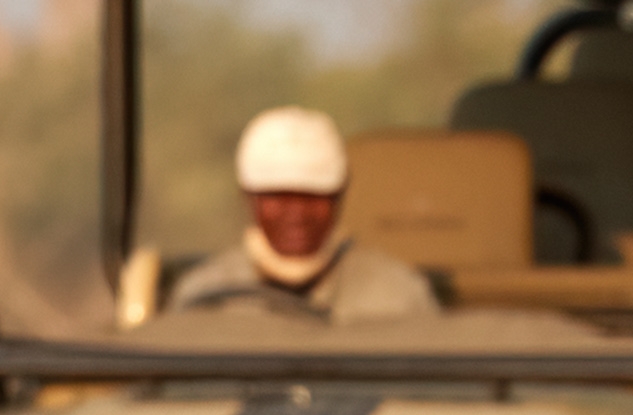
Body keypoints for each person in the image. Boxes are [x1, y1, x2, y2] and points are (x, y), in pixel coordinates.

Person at [157, 108, 441, 323]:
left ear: (340, 194)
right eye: (276, 196)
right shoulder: (204, 298)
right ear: (248, 195)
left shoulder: (398, 296)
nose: (296, 214)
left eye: (312, 197)